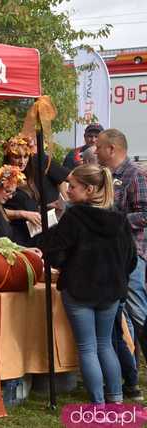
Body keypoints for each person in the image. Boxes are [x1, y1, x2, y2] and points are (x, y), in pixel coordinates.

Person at [40, 164, 136, 404]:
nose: (68, 190)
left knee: (88, 348)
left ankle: (98, 402)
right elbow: (131, 259)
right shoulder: (119, 218)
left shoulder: (74, 217)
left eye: (72, 186)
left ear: (89, 189)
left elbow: (55, 254)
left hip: (79, 289)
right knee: (105, 345)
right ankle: (115, 398)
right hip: (110, 291)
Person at [95, 129, 147, 376]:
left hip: (131, 256)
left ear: (112, 149)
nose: (95, 151)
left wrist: (114, 222)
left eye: (99, 146)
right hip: (108, 256)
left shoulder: (134, 175)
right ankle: (130, 375)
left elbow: (145, 214)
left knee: (138, 313)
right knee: (118, 318)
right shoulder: (105, 176)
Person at [2, 136, 43, 246]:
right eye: (17, 157)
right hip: (15, 238)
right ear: (8, 157)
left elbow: (27, 205)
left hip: (33, 235)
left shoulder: (28, 177)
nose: (22, 161)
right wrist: (22, 214)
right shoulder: (4, 177)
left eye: (25, 157)